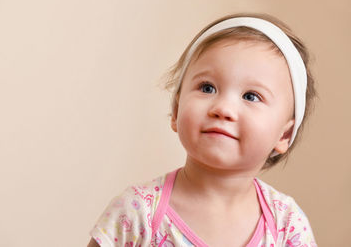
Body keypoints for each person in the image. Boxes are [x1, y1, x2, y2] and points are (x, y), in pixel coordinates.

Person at [87, 13, 317, 247]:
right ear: (176, 111)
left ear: (284, 135)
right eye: (207, 88)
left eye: (251, 96)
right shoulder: (137, 213)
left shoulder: (287, 224)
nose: (223, 108)